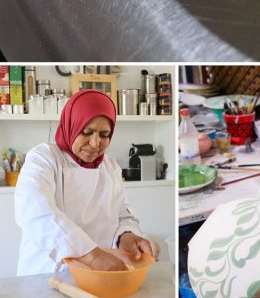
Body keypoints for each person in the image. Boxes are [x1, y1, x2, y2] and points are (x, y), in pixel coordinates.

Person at [15, 89, 160, 275]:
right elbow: (35, 212)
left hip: (98, 276)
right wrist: (93, 256)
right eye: (86, 132)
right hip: (46, 274)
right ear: (71, 126)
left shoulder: (110, 166)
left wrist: (128, 235)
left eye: (104, 135)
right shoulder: (44, 158)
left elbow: (123, 212)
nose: (95, 143)